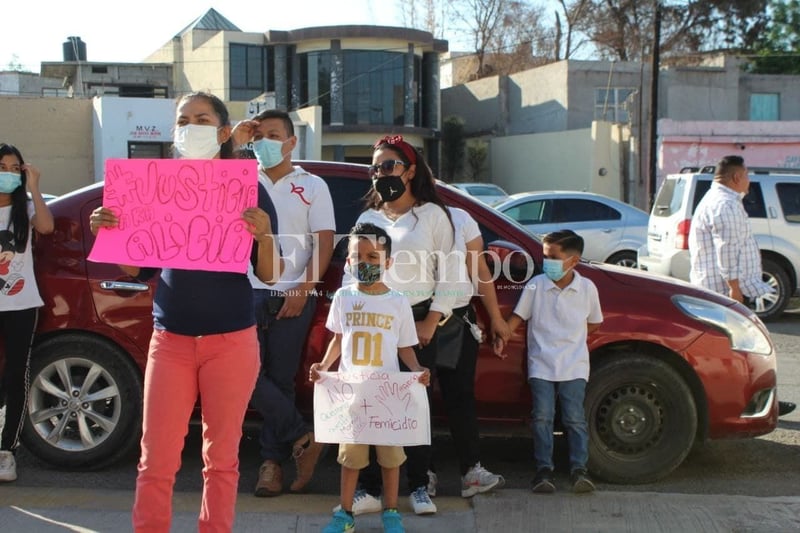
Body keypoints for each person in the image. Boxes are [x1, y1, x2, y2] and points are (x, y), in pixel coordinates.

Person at [89, 92, 282, 533]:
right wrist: (113, 231)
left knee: (222, 458)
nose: (190, 126)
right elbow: (136, 267)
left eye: (201, 118)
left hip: (231, 343)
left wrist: (266, 236)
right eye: (183, 119)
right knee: (155, 458)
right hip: (170, 341)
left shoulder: (247, 187)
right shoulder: (157, 185)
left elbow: (269, 276)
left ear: (221, 131)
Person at [341, 134, 459, 516]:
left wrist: (432, 319)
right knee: (370, 406)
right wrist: (351, 319)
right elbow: (351, 272)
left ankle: (419, 485)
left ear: (409, 171)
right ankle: (369, 490)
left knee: (412, 406)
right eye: (374, 168)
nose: (380, 173)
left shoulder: (432, 216)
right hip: (370, 322)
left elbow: (452, 272)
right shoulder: (367, 219)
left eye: (388, 166)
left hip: (416, 320)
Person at [232, 109, 335, 497]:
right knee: (244, 376)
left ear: (292, 142)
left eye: (273, 135)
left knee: (280, 379)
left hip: (291, 295)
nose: (264, 142)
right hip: (242, 292)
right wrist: (235, 143)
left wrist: (304, 288)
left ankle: (271, 465)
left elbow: (323, 243)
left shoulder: (312, 186)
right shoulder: (240, 179)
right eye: (258, 136)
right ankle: (302, 435)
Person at [310, 222, 431, 533]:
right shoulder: (343, 297)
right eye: (358, 257)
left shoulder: (398, 301)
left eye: (373, 257)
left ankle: (391, 512)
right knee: (351, 458)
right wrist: (323, 366)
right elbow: (339, 338)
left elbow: (405, 346)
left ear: (387, 262)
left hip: (388, 394)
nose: (366, 263)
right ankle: (345, 514)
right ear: (348, 262)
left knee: (390, 457)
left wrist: (417, 370)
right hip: (353, 393)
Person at [688, 155, 795, 417]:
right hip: (724, 291)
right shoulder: (725, 205)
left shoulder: (723, 201)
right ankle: (743, 404)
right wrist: (734, 288)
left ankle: (758, 401)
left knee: (741, 350)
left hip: (724, 289)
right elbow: (727, 250)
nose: (748, 181)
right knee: (740, 351)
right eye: (746, 175)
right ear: (736, 177)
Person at [496, 229, 602, 494]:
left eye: (553, 257)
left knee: (575, 418)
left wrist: (572, 340)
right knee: (542, 417)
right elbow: (518, 317)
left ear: (573, 260)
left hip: (574, 365)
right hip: (541, 363)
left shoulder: (587, 289)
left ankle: (579, 469)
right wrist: (503, 337)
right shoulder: (536, 286)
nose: (547, 263)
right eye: (545, 257)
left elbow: (595, 324)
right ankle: (544, 470)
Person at [424, 206, 510, 498]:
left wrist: (496, 319)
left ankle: (471, 471)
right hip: (414, 318)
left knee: (460, 396)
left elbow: (480, 269)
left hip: (456, 319)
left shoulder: (459, 217)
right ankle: (422, 473)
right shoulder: (401, 217)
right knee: (415, 399)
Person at [0, 143, 54, 483]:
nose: (6, 173)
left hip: (21, 304)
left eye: (13, 168)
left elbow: (47, 227)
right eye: (1, 166)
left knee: (17, 375)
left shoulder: (27, 209)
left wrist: (33, 184)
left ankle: (7, 452)